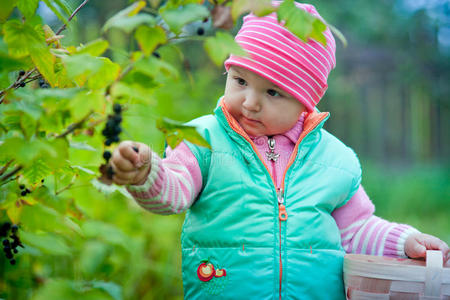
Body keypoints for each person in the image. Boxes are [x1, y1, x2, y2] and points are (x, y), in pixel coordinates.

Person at [108, 2, 449, 299]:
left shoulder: (336, 161)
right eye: (240, 81)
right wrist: (146, 173)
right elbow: (174, 192)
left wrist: (405, 241)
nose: (250, 102)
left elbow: (356, 229)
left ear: (305, 103)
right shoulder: (202, 138)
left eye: (272, 93)